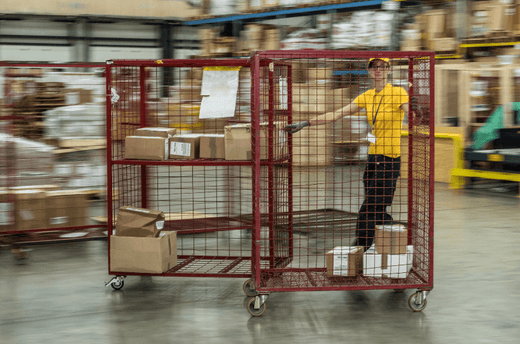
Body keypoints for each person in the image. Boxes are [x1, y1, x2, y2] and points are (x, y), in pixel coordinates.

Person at [286, 57, 410, 251]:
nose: (378, 70)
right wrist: (306, 123)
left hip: (390, 159)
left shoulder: (398, 93)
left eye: (382, 67)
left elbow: (409, 111)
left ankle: (361, 246)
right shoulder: (367, 96)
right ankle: (393, 240)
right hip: (373, 158)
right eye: (374, 67)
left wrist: (418, 112)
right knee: (376, 206)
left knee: (369, 207)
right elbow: (337, 114)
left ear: (388, 70)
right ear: (369, 71)